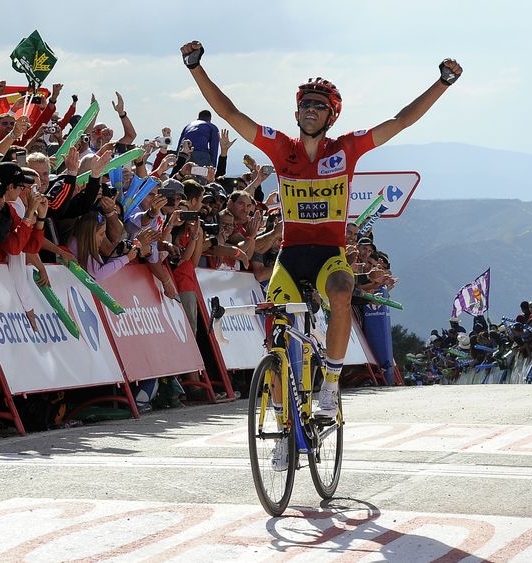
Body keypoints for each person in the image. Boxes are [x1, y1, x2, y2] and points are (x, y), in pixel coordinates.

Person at [181, 40, 461, 427]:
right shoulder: (281, 148)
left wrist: (442, 82)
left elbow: (400, 121)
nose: (309, 110)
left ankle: (330, 382)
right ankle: (281, 421)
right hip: (292, 254)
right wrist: (195, 67)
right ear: (297, 111)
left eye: (318, 106)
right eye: (305, 105)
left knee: (343, 291)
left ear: (331, 116)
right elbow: (229, 112)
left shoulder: (346, 149)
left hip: (330, 253)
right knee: (276, 339)